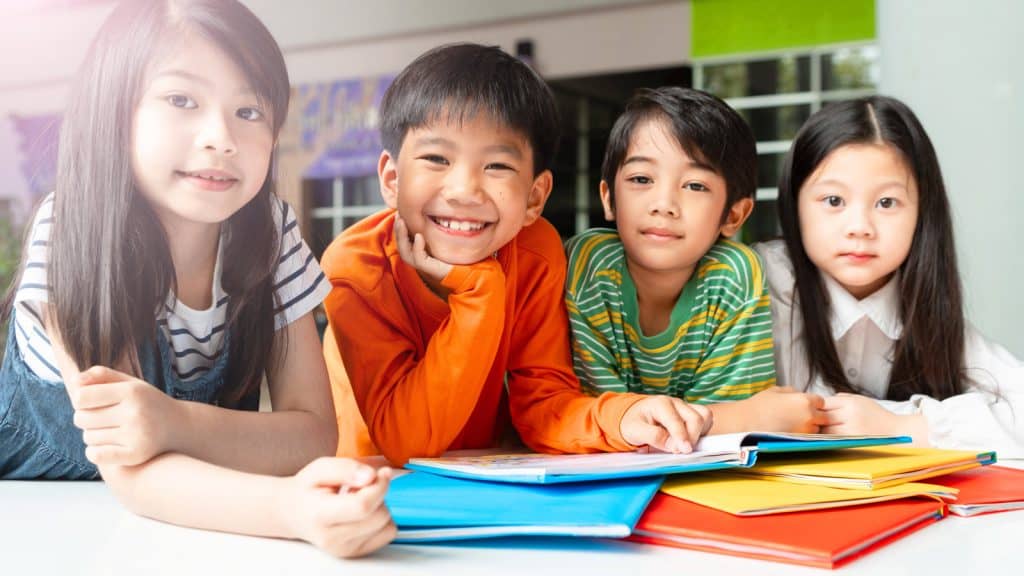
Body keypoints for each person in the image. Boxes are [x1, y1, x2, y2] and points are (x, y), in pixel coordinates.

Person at [0, 0, 394, 558]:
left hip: (193, 523)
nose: (221, 137)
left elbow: (311, 436)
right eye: (181, 99)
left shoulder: (272, 233)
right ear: (114, 113)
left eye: (250, 111)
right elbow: (131, 466)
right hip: (37, 527)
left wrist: (171, 421)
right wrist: (291, 509)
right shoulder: (75, 227)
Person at [322, 43, 712, 467]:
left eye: (497, 167)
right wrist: (478, 290)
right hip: (371, 486)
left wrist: (624, 417)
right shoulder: (357, 270)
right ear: (392, 179)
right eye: (436, 158)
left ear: (535, 196)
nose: (465, 191)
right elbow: (407, 443)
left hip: (487, 475)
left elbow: (543, 406)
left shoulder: (533, 253)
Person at [755, 95, 1024, 455]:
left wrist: (902, 426)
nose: (860, 227)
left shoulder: (923, 304)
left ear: (922, 214)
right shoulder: (756, 283)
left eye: (886, 203)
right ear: (795, 203)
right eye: (834, 201)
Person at [566, 87, 826, 434]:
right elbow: (601, 426)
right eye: (641, 179)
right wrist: (746, 417)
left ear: (734, 215)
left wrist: (721, 422)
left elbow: (720, 445)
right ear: (609, 198)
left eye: (694, 186)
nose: (664, 204)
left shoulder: (734, 275)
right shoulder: (587, 268)